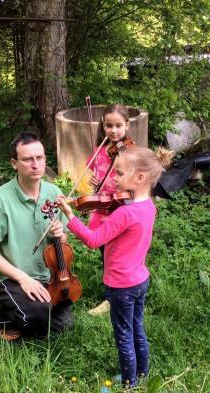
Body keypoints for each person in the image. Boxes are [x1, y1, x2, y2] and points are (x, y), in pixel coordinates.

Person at [56, 146, 165, 387]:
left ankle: (129, 385)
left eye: (119, 173)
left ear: (139, 178)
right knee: (137, 329)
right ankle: (142, 376)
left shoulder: (125, 214)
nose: (113, 178)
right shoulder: (148, 207)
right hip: (140, 279)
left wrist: (70, 215)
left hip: (121, 284)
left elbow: (93, 240)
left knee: (123, 336)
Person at [0, 132, 73, 341]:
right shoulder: (0, 200)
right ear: (14, 163)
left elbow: (63, 241)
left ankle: (29, 308)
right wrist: (23, 279)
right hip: (9, 276)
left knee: (64, 324)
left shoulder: (52, 192)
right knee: (38, 316)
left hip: (46, 275)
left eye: (39, 158)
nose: (35, 164)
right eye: (27, 159)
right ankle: (7, 317)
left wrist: (59, 235)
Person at [85, 103, 133, 315]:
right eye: (108, 126)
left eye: (118, 126)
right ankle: (113, 293)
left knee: (119, 254)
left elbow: (138, 182)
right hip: (104, 210)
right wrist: (94, 182)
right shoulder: (99, 151)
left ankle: (114, 297)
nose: (113, 131)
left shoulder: (131, 152)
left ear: (127, 126)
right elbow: (96, 178)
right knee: (106, 253)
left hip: (122, 208)